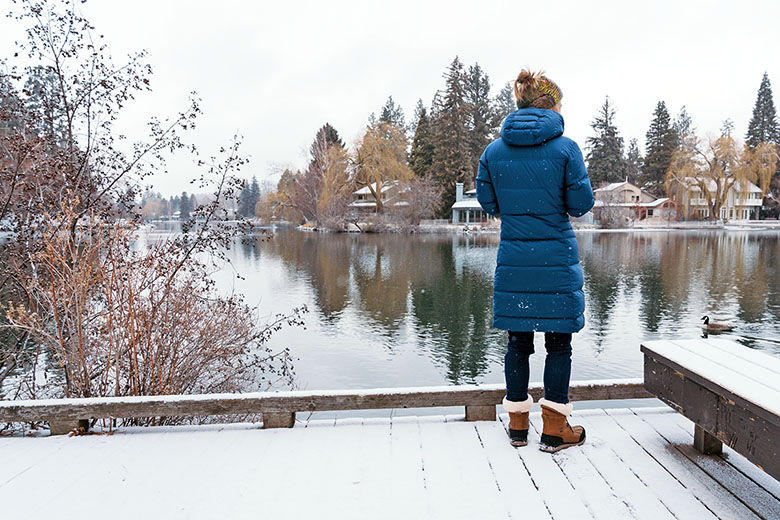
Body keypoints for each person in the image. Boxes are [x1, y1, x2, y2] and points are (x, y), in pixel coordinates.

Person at [476, 70, 594, 452]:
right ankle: (556, 430)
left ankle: (517, 426)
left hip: (514, 258)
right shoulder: (566, 149)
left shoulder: (493, 152)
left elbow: (489, 203)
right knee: (559, 344)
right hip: (557, 260)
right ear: (551, 105)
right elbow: (580, 206)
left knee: (517, 341)